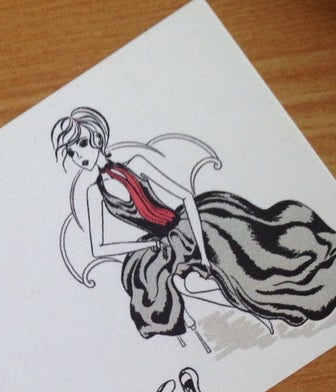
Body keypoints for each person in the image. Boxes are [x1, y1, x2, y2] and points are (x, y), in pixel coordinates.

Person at [51, 107, 336, 339]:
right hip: (160, 245)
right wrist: (148, 245)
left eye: (82, 144)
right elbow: (98, 248)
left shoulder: (136, 163)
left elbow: (186, 197)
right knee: (159, 289)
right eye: (72, 153)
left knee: (253, 262)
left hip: (188, 226)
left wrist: (199, 242)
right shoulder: (94, 193)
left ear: (97, 137)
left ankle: (271, 300)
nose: (80, 156)